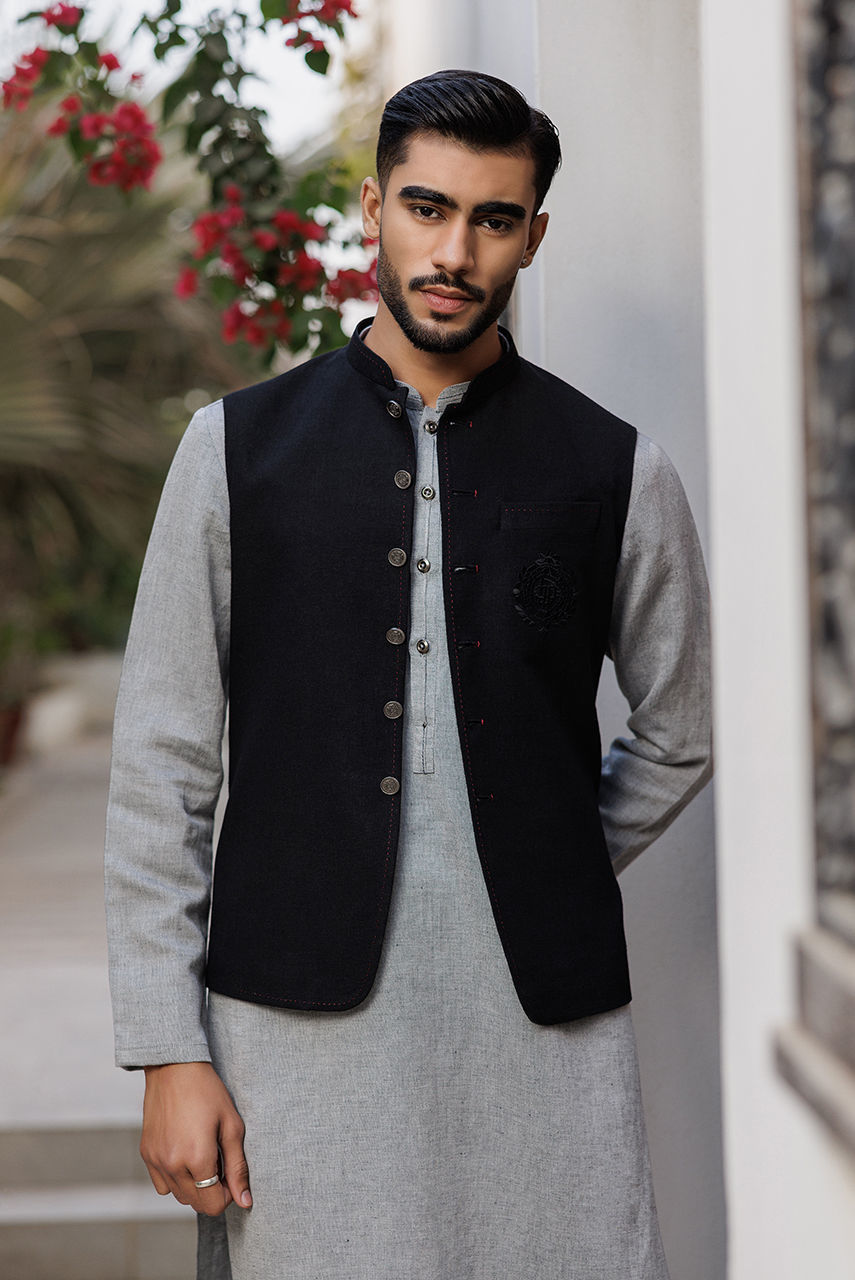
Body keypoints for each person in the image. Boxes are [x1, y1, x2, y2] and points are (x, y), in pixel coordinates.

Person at [105, 68, 712, 1280]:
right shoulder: (234, 452)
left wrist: (537, 849)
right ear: (375, 207)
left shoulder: (615, 468)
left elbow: (684, 725)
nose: (454, 251)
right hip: (292, 1036)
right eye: (428, 208)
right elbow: (160, 763)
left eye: (493, 219)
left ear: (533, 235)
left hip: (547, 1039)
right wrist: (169, 1048)